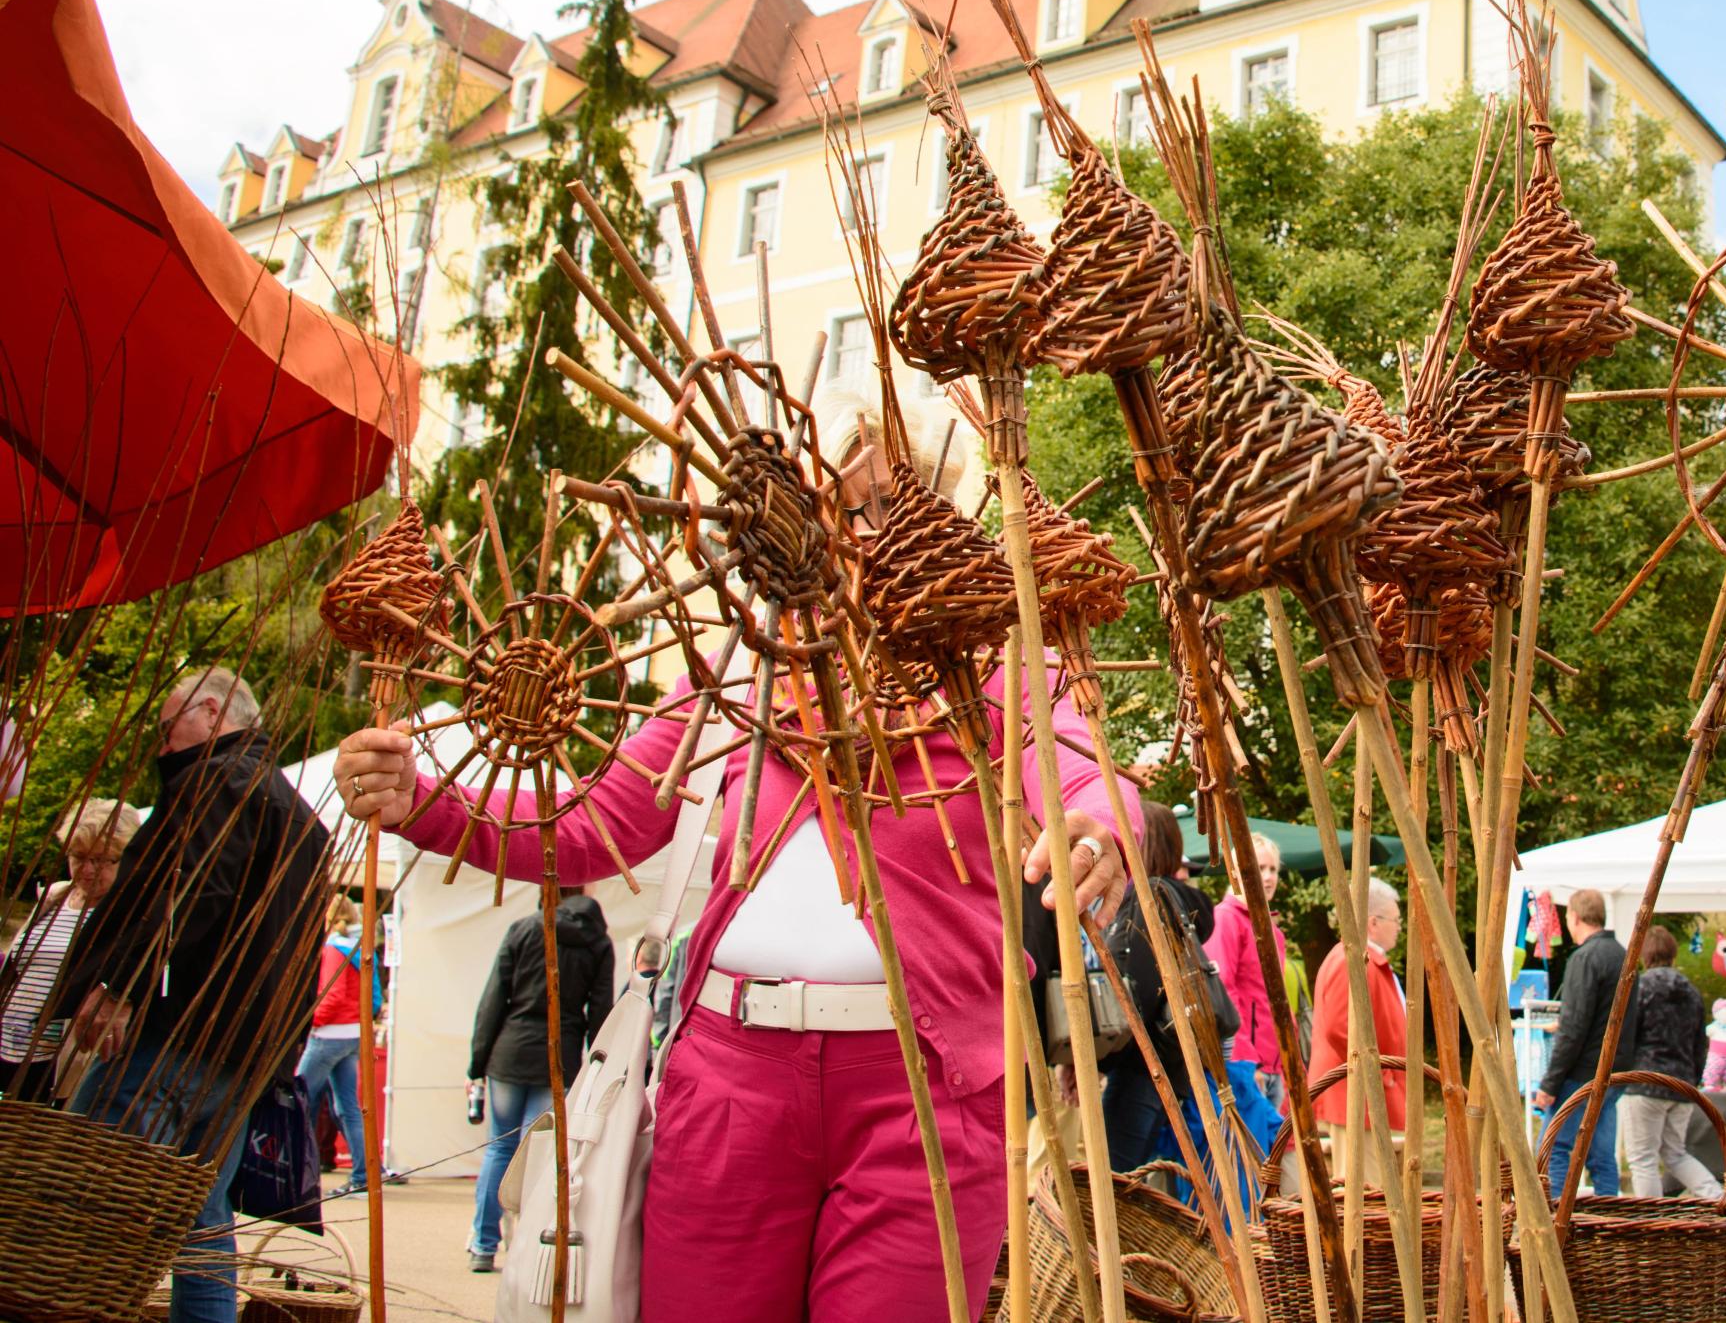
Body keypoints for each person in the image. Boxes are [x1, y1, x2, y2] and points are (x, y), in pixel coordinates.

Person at [332, 391, 1132, 1321]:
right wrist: (423, 804)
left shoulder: (987, 664)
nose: (863, 536)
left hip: (927, 1090)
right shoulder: (741, 674)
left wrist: (1096, 827)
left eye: (889, 508)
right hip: (730, 1079)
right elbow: (592, 825)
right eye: (839, 510)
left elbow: (1073, 762)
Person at [61, 667, 330, 1323]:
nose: (161, 746)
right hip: (239, 1054)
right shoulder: (295, 812)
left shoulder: (220, 782)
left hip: (182, 1037)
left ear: (211, 711)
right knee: (199, 1222)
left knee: (88, 1202)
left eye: (166, 726)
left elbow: (195, 896)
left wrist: (120, 982)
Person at [464, 889, 617, 1272]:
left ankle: (484, 1244)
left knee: (499, 1149)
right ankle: (529, 1250)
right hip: (559, 1059)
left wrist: (476, 1064)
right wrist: (597, 1067)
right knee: (542, 1157)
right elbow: (600, 1010)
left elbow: (494, 999)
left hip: (509, 1052)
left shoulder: (525, 929)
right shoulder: (598, 943)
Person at [0, 797, 141, 1098]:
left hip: (56, 1064)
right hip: (7, 1051)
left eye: (102, 859)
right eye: (78, 857)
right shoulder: (54, 897)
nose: (87, 870)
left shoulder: (125, 914)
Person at [1099, 806, 1214, 1171]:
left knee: (1116, 1181)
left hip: (1141, 1064)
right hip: (1175, 1062)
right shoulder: (1180, 901)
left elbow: (1137, 992)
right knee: (1140, 1174)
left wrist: (1102, 1057)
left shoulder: (1148, 900)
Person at [1306, 876, 1410, 1163]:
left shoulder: (1362, 959)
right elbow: (1341, 1029)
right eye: (1396, 920)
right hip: (1357, 1097)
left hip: (1365, 1096)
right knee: (1366, 1192)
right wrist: (1379, 1072)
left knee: (1373, 1191)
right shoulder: (1352, 959)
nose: (1399, 928)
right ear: (1373, 922)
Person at [1532, 888, 1625, 1199]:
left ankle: (1553, 1223)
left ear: (1574, 917)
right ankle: (1610, 1221)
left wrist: (1550, 1083)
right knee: (1601, 1155)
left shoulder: (1584, 958)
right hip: (1615, 1071)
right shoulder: (1623, 955)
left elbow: (1574, 1027)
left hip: (1581, 1073)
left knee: (1555, 1146)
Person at [1619, 924, 1719, 1200]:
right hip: (1682, 1083)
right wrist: (1693, 1079)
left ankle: (1650, 1223)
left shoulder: (1639, 987)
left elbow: (1626, 1035)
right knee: (1675, 1154)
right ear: (1674, 954)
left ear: (1644, 955)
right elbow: (1701, 1042)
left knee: (1643, 1159)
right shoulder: (1692, 992)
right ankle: (1717, 1198)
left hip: (1645, 1082)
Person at [296, 895, 379, 1197]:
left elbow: (331, 995)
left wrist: (312, 1021)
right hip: (354, 1031)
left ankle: (295, 1170)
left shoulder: (334, 949)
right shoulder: (358, 948)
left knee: (296, 1099)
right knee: (348, 1107)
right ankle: (364, 1174)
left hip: (329, 1034)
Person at [1207, 830, 1293, 1109]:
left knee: (1273, 1150)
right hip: (1246, 1063)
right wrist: (1244, 1061)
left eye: (1273, 869)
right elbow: (1223, 992)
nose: (1268, 877)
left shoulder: (1272, 932)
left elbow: (1277, 1002)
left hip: (1274, 1065)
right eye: (1259, 868)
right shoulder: (1227, 919)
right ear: (1237, 872)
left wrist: (1290, 1062)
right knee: (1247, 1150)